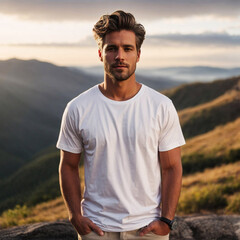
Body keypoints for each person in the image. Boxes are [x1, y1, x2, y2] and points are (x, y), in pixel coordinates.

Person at [57, 10, 185, 240]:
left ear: (138, 54)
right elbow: (68, 166)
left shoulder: (161, 106)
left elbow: (172, 167)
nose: (120, 56)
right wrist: (75, 216)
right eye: (112, 49)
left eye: (127, 48)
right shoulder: (78, 108)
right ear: (100, 54)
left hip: (148, 229)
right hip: (96, 229)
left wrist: (166, 220)